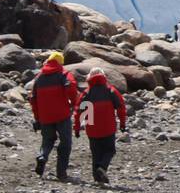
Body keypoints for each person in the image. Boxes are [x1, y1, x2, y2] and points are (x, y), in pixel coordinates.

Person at [29, 51, 79, 181]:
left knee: (47, 140)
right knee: (65, 142)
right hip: (62, 114)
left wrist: (37, 117)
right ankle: (61, 173)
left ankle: (42, 156)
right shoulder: (64, 74)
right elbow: (72, 87)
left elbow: (33, 99)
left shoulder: (39, 77)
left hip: (45, 116)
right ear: (60, 63)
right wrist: (73, 103)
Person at [73, 68, 127, 185]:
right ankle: (102, 167)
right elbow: (121, 107)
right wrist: (122, 123)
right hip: (108, 127)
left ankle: (98, 179)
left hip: (92, 128)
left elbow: (78, 112)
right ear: (103, 77)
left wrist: (77, 128)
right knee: (110, 150)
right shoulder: (110, 90)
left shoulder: (86, 93)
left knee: (96, 153)